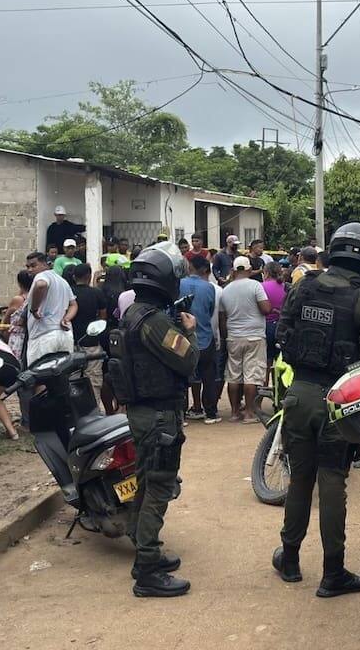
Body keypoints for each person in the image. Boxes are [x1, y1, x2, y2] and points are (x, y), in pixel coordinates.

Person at [273, 221, 360, 598]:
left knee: (300, 478)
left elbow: (281, 334)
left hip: (298, 394)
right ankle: (332, 572)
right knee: (332, 480)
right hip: (338, 402)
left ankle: (289, 559)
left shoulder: (302, 285)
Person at [115, 242, 199, 597]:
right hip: (159, 414)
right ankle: (147, 570)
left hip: (143, 412)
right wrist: (190, 331)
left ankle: (144, 550)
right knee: (160, 485)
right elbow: (189, 360)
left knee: (146, 480)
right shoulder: (154, 322)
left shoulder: (132, 313)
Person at [218, 256, 271, 423]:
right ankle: (249, 413)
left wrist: (226, 336)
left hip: (234, 337)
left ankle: (234, 413)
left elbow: (222, 318)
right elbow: (266, 309)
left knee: (234, 376)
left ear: (234, 271)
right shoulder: (256, 286)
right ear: (249, 270)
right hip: (254, 336)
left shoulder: (226, 289)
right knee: (252, 376)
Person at [180, 255, 222, 424]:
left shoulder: (179, 284)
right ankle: (210, 413)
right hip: (204, 336)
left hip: (182, 338)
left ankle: (181, 414)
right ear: (205, 269)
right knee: (208, 377)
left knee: (181, 377)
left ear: (189, 267)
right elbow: (211, 310)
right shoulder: (209, 287)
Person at [24, 252, 78, 361]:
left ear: (45, 265)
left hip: (44, 337)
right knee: (61, 375)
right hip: (64, 336)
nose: (30, 270)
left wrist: (34, 309)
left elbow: (41, 285)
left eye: (34, 266)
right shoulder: (62, 281)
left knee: (39, 375)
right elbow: (73, 305)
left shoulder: (42, 276)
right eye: (28, 267)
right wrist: (66, 318)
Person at [70, 264, 107, 343]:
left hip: (71, 334)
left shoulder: (68, 291)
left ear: (74, 277)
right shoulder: (97, 292)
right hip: (91, 335)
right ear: (89, 276)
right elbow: (103, 315)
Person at [262, 262, 287, 381]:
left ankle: (261, 393)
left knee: (265, 363)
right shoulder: (286, 287)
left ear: (266, 273)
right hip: (282, 327)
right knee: (280, 362)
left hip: (265, 327)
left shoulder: (261, 287)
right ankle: (278, 392)